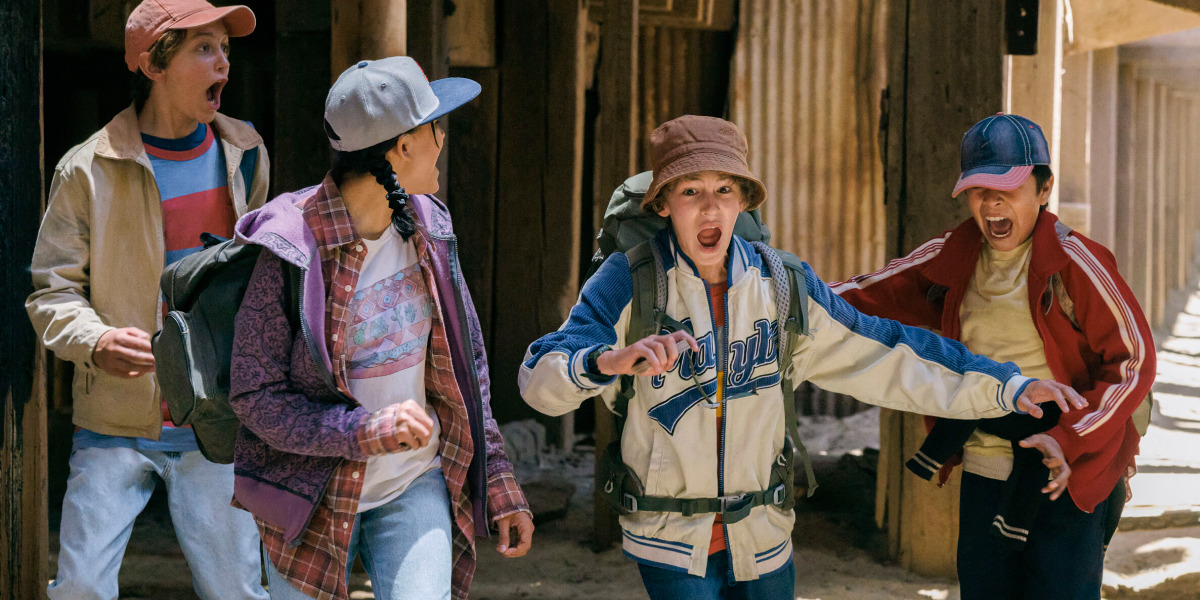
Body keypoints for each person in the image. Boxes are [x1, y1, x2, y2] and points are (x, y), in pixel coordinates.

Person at [518, 115, 1085, 600]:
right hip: (668, 537)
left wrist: (1006, 385)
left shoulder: (781, 284)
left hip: (765, 534)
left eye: (724, 190)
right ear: (664, 203)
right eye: (690, 190)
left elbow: (888, 351)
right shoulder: (632, 279)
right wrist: (604, 363)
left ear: (743, 199)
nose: (709, 207)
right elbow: (538, 380)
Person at [227, 56, 534, 600]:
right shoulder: (291, 245)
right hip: (309, 496)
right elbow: (255, 396)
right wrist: (359, 432)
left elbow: (469, 365)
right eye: (435, 127)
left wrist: (498, 479)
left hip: (414, 483)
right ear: (404, 146)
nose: (443, 140)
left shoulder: (431, 226)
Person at [832, 113, 1156, 599]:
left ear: (1043, 189)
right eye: (979, 190)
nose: (991, 202)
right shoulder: (953, 255)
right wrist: (779, 292)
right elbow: (859, 296)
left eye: (1007, 186)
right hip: (986, 467)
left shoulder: (1075, 261)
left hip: (1067, 471)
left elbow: (1135, 362)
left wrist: (1070, 437)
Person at [26, 1, 270, 597]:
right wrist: (97, 340)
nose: (224, 65)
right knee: (80, 586)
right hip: (115, 421)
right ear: (154, 64)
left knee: (238, 590)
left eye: (226, 50)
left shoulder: (247, 155)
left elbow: (259, 280)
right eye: (204, 49)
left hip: (215, 423)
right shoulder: (87, 168)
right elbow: (52, 290)